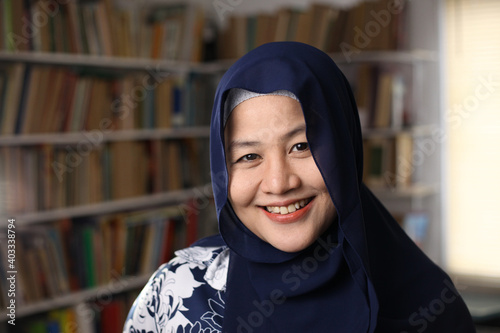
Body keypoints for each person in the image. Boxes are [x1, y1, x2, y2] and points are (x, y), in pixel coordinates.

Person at [123, 42, 475, 332]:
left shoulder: (429, 305)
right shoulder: (176, 294)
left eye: (302, 146)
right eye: (248, 156)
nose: (279, 183)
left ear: (345, 147)